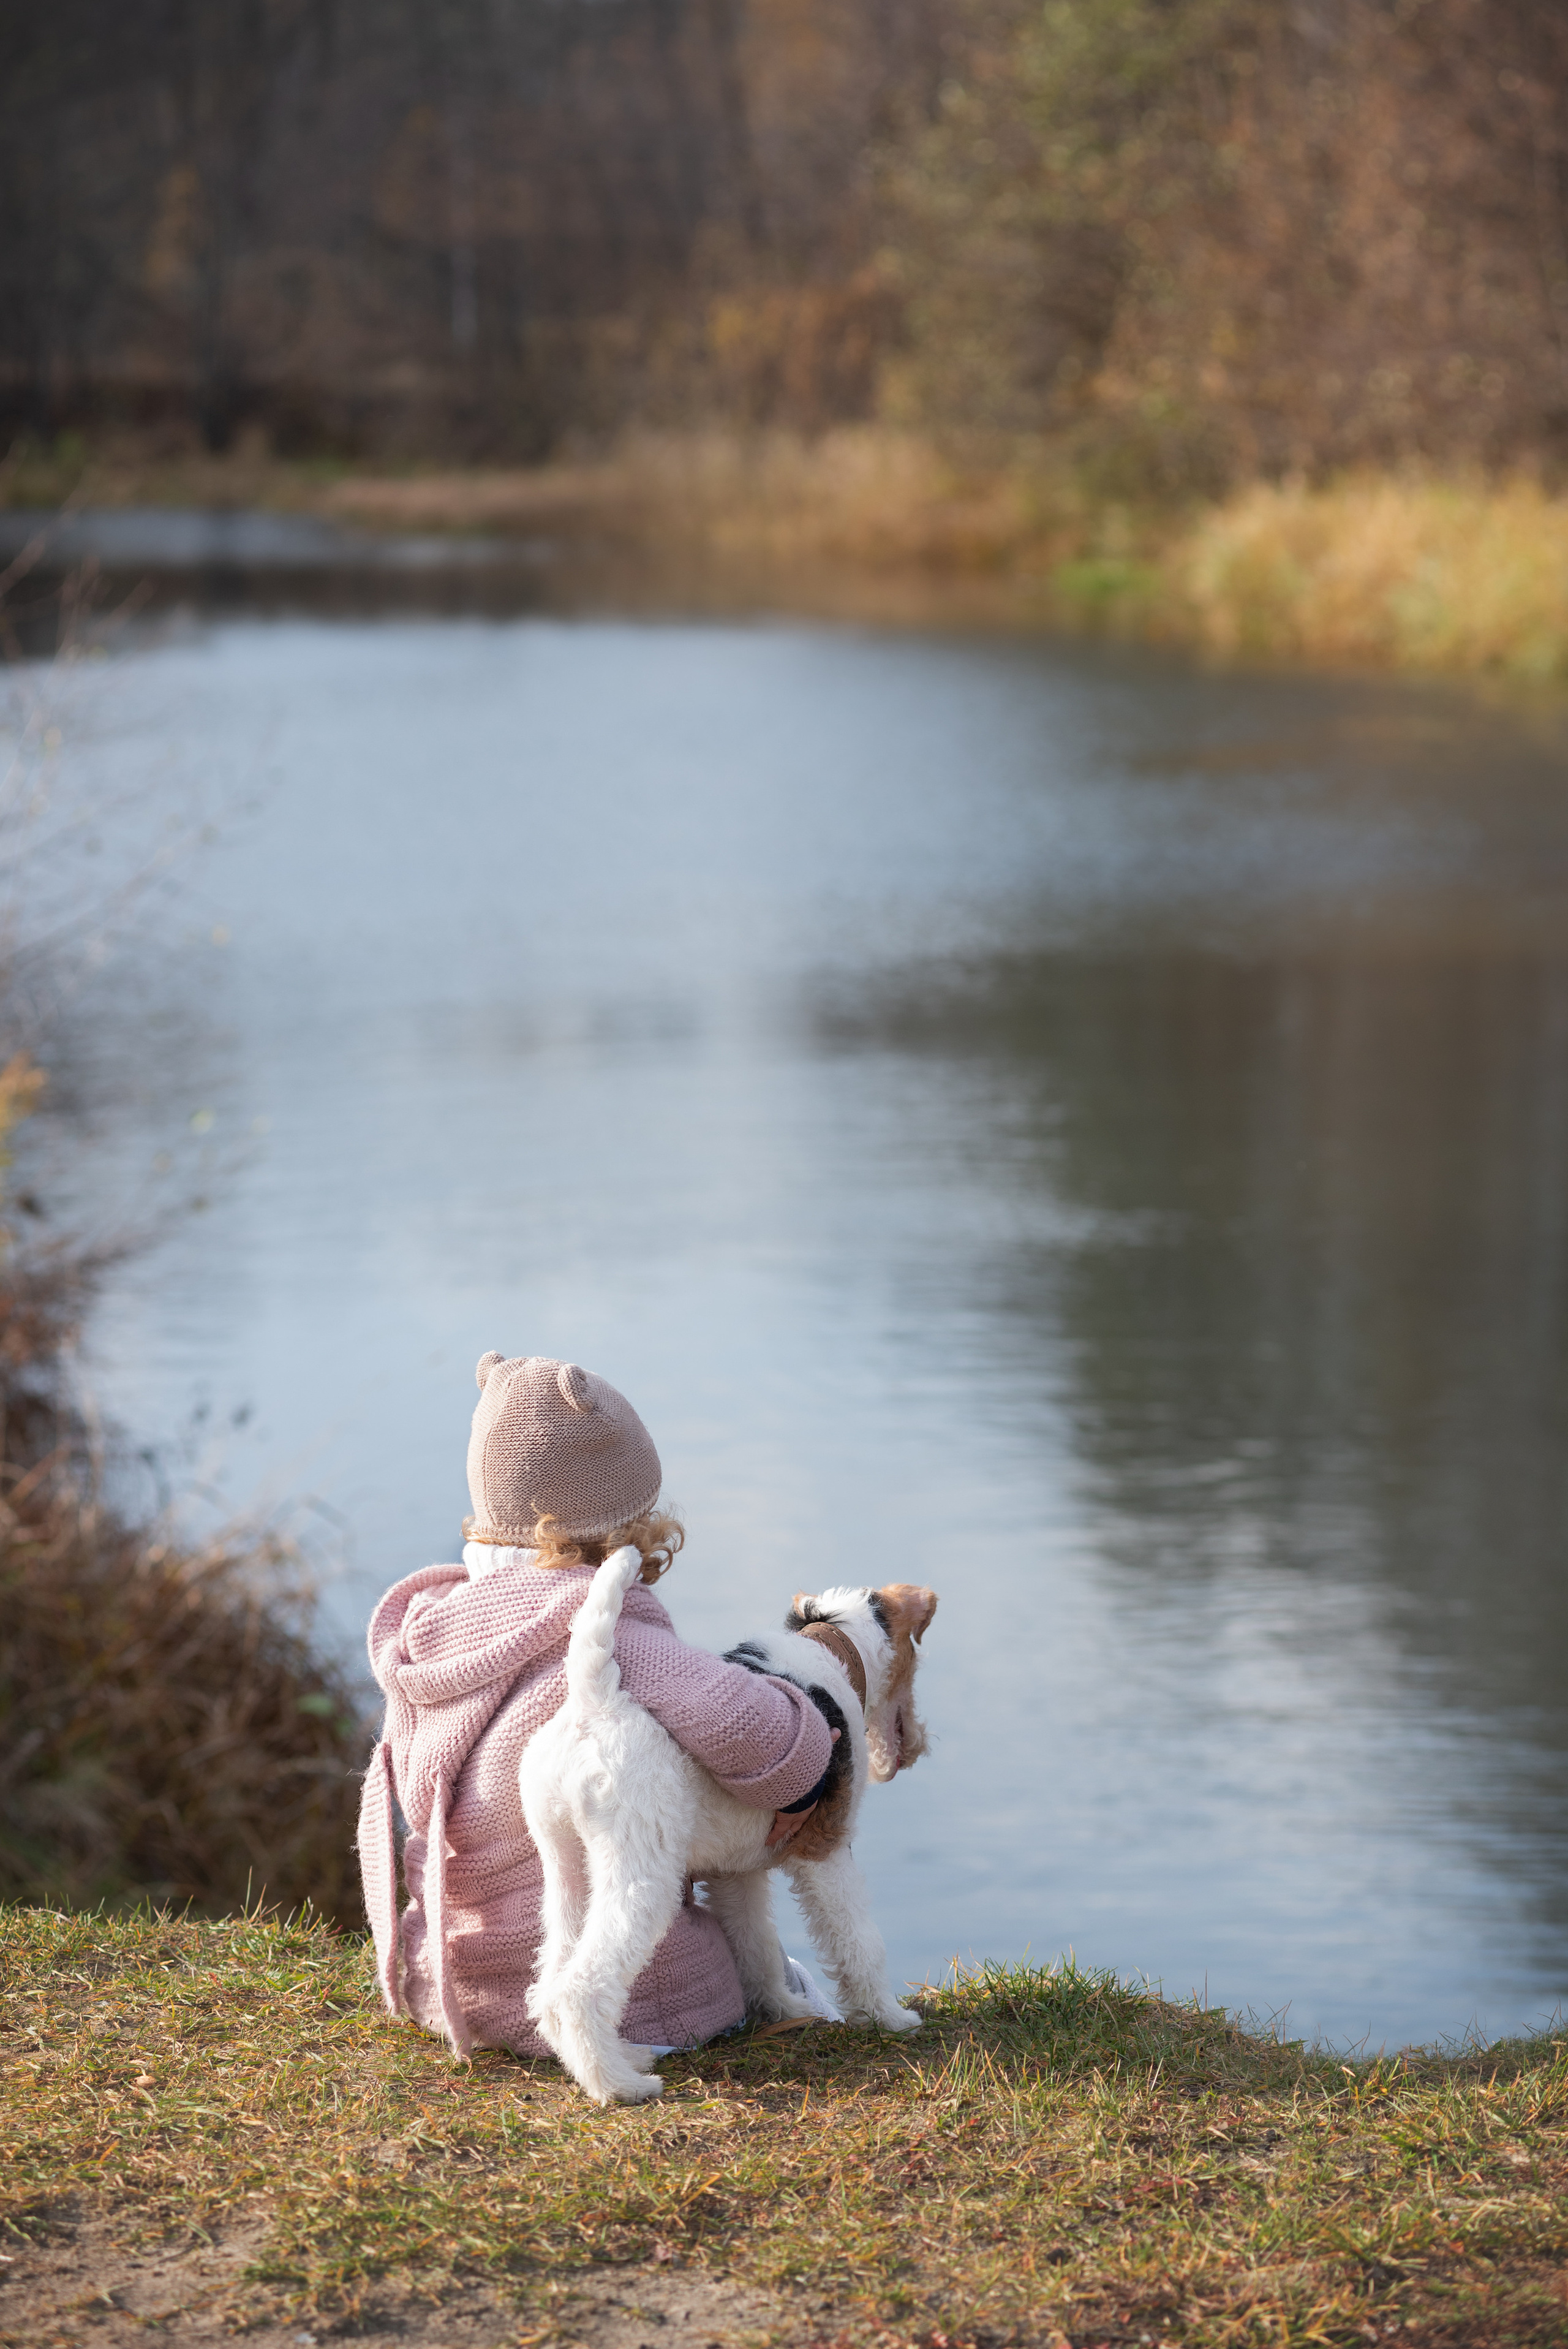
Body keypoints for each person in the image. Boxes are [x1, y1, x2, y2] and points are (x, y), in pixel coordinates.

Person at [356, 1352, 835, 2059]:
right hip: (630, 2005)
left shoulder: (435, 1630)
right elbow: (761, 1739)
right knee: (790, 1980)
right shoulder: (606, 1632)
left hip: (452, 1988)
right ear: (621, 1521)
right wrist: (807, 1718)